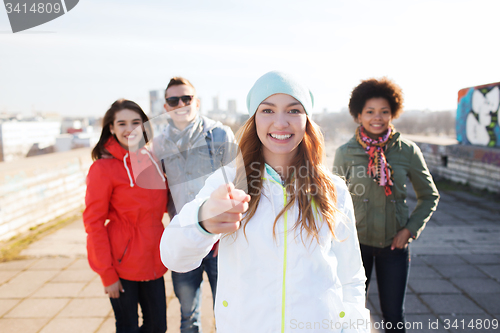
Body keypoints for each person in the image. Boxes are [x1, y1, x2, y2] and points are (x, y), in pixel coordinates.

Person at [160, 71, 370, 333]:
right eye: (268, 110)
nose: (280, 122)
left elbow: (351, 277)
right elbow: (173, 256)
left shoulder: (334, 189)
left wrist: (352, 326)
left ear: (307, 120)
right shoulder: (227, 182)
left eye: (293, 111)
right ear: (254, 119)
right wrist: (203, 221)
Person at [333, 78, 440, 332]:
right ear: (359, 115)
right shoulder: (345, 152)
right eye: (370, 112)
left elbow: (429, 196)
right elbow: (333, 201)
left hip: (394, 247)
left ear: (393, 114)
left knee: (393, 316)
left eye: (384, 112)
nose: (377, 118)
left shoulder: (407, 151)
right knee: (349, 313)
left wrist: (410, 230)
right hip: (355, 247)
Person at [153, 77, 234, 333]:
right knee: (188, 316)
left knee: (229, 311)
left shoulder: (219, 134)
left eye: (186, 98)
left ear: (196, 102)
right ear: (166, 107)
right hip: (184, 238)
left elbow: (239, 182)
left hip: (219, 240)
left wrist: (228, 232)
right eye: (173, 100)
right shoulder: (159, 144)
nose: (181, 104)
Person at [83, 99, 168, 333]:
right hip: (121, 263)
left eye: (135, 122)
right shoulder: (103, 168)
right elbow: (93, 223)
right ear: (111, 128)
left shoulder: (151, 158)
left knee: (157, 326)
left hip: (153, 259)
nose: (129, 129)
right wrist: (107, 274)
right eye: (121, 123)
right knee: (128, 327)